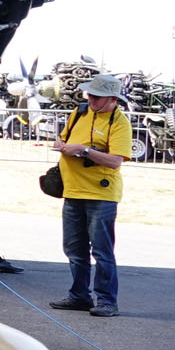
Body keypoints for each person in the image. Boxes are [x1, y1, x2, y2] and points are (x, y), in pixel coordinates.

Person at [50, 73, 130, 317]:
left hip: (101, 194)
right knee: (74, 248)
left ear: (113, 99)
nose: (92, 99)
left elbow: (115, 161)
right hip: (73, 190)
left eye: (97, 97)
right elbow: (63, 138)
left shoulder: (119, 121)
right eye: (90, 95)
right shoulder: (80, 113)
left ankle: (107, 301)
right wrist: (63, 146)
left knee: (102, 250)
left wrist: (84, 151)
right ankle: (79, 296)